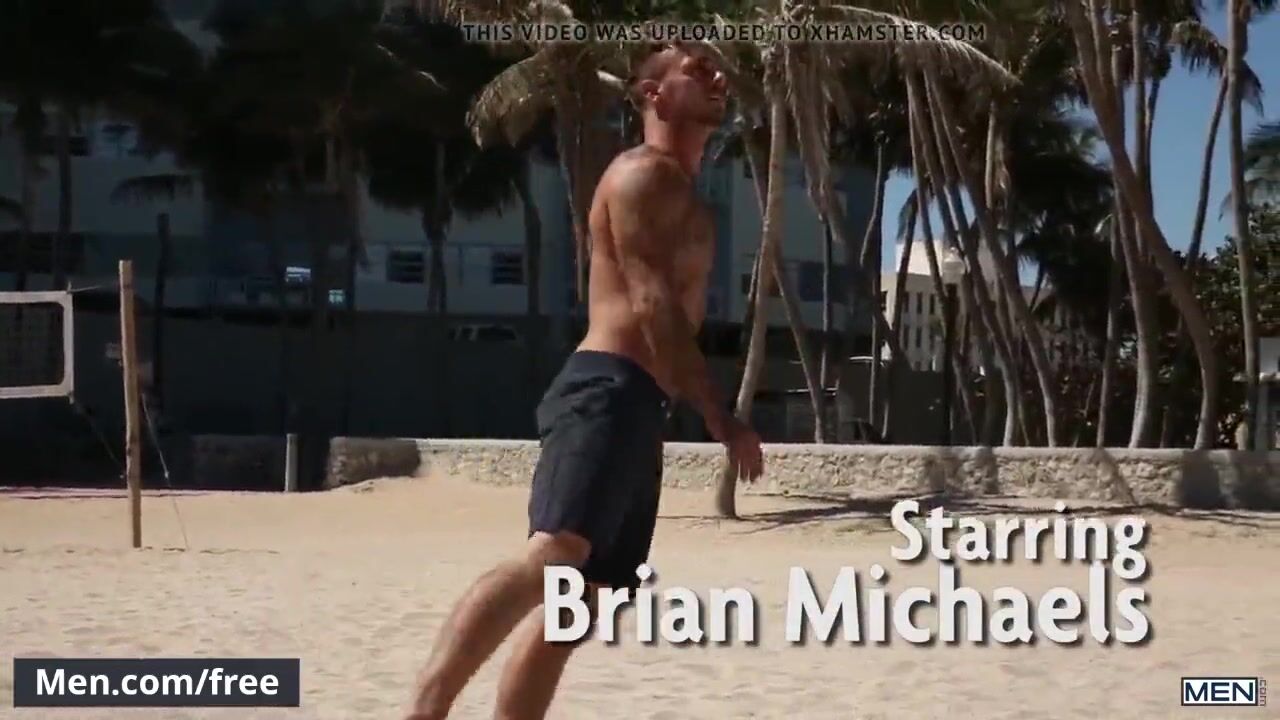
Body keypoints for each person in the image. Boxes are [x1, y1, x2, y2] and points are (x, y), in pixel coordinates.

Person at [405, 42, 764, 720]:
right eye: (695, 71)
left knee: (579, 603)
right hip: (607, 388)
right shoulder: (641, 175)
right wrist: (718, 414)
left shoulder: (690, 196)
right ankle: (423, 711)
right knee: (553, 556)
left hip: (642, 403)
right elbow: (652, 302)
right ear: (653, 95)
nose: (717, 77)